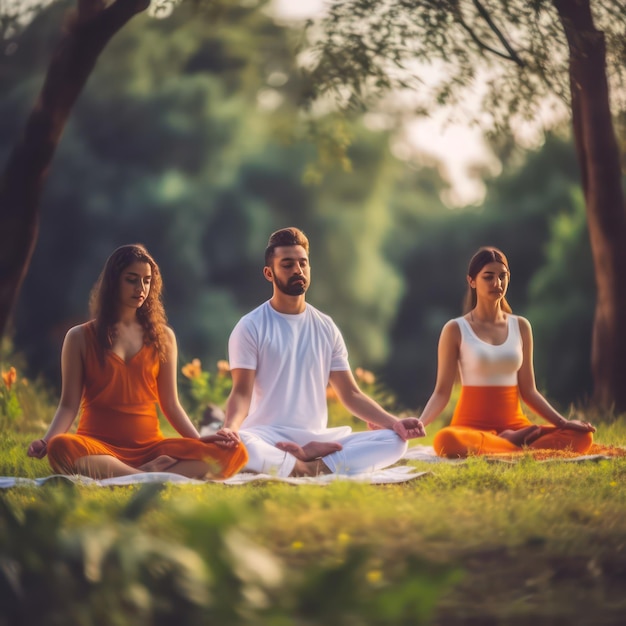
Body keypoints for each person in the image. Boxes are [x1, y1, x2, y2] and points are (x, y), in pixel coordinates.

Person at [27, 244, 248, 479]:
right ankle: (142, 474)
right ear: (113, 282)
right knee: (61, 448)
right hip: (97, 446)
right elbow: (68, 405)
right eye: (131, 280)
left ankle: (132, 473)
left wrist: (199, 443)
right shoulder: (79, 337)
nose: (140, 288)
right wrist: (46, 440)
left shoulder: (164, 337)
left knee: (234, 452)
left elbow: (171, 404)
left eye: (146, 280)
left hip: (151, 448)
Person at [220, 227, 425, 477]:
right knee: (242, 446)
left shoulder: (326, 326)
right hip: (265, 436)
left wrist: (395, 423)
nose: (297, 270)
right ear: (269, 273)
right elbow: (241, 393)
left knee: (394, 442)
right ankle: (311, 465)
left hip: (318, 437)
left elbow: (350, 393)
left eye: (302, 263)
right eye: (287, 264)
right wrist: (230, 428)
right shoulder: (250, 326)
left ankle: (306, 464)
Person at [418, 246, 595, 458]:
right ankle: (511, 445)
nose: (497, 283)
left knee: (582, 438)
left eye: (503, 277)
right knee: (446, 441)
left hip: (517, 426)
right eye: (488, 277)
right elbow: (441, 393)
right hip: (470, 427)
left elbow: (529, 391)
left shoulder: (521, 326)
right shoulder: (455, 329)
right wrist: (419, 424)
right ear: (472, 281)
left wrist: (563, 423)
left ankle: (504, 444)